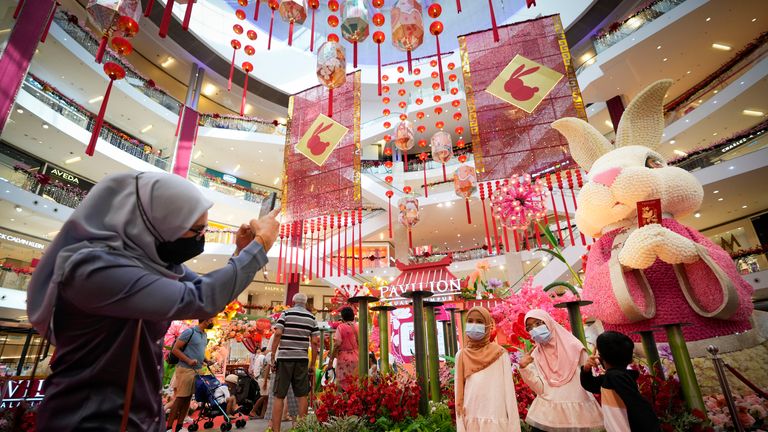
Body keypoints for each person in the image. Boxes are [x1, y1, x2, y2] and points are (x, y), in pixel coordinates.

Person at [27, 172, 280, 431]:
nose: (201, 238)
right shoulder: (93, 269)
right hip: (89, 419)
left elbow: (205, 294)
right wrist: (260, 245)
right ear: (156, 223)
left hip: (140, 415)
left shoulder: (150, 263)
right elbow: (200, 298)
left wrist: (242, 251)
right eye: (196, 230)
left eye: (204, 230)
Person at [519, 309, 603, 432]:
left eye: (538, 323)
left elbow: (589, 380)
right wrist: (524, 368)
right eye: (529, 327)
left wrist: (590, 366)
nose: (534, 330)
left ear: (549, 322)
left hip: (576, 413)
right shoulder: (535, 354)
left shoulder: (574, 346)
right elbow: (540, 389)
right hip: (547, 414)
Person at [455, 306, 521, 432]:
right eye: (470, 321)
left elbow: (509, 393)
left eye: (479, 322)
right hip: (471, 419)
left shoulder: (500, 354)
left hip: (495, 419)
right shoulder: (461, 355)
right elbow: (459, 393)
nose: (474, 325)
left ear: (487, 326)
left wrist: (514, 427)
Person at [580, 331, 662, 432]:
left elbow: (639, 408)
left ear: (601, 358)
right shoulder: (616, 376)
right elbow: (590, 384)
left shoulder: (615, 377)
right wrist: (586, 369)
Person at [269, 293, 320, 432]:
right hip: (302, 360)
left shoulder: (285, 313)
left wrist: (273, 354)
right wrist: (312, 364)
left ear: (293, 301)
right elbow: (315, 342)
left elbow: (278, 333)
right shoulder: (311, 318)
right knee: (302, 395)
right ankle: (302, 429)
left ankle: (276, 430)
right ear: (305, 303)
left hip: (285, 358)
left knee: (279, 395)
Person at [166, 318, 215, 431]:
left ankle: (179, 426)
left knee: (187, 399)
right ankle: (168, 428)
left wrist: (206, 360)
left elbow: (199, 352)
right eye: (211, 319)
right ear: (205, 320)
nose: (212, 322)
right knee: (180, 399)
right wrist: (188, 360)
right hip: (185, 369)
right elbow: (175, 349)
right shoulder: (190, 332)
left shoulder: (204, 334)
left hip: (197, 371)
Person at [326, 306, 358, 388]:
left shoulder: (341, 327)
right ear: (353, 316)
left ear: (342, 317)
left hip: (344, 359)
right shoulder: (358, 327)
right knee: (354, 384)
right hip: (357, 357)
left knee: (343, 385)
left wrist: (331, 360)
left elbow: (337, 344)